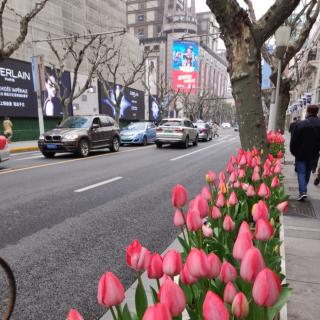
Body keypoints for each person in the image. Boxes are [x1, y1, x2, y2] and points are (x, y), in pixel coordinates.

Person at [290, 105, 320, 201]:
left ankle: (303, 191)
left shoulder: (301, 124)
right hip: (314, 153)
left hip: (301, 153)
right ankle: (303, 190)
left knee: (301, 172)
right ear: (317, 112)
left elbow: (294, 139)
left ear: (307, 112)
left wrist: (293, 150)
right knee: (307, 172)